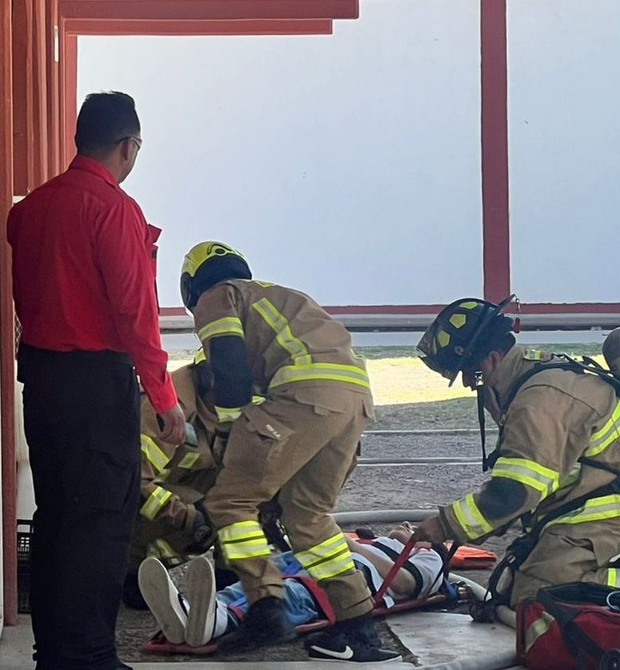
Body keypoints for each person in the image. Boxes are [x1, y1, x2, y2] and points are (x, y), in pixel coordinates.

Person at [8, 91, 184, 670]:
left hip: (43, 379)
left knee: (56, 515)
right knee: (101, 520)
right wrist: (165, 399)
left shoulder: (30, 209)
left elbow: (24, 297)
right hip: (95, 383)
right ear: (128, 146)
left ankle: (55, 652)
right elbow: (137, 313)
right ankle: (88, 657)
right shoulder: (114, 210)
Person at [179, 241, 396, 663]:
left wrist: (229, 428)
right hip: (354, 402)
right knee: (306, 515)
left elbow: (228, 367)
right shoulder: (279, 295)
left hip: (303, 395)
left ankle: (266, 608)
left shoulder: (216, 297)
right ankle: (357, 627)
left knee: (230, 501)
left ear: (190, 286)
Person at [410, 297, 620, 608]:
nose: (469, 384)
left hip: (611, 507)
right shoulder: (527, 375)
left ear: (493, 359)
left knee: (537, 593)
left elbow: (514, 492)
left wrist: (445, 527)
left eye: (472, 373)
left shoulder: (537, 404)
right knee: (510, 582)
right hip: (582, 497)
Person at [139, 523, 446, 649]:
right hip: (326, 558)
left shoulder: (431, 559)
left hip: (351, 575)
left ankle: (218, 621)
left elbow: (406, 583)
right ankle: (197, 610)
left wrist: (352, 548)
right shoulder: (376, 541)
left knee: (297, 593)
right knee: (265, 575)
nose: (406, 526)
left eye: (410, 528)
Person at [122, 354, 223, 610]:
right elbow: (131, 482)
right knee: (208, 516)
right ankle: (130, 571)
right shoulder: (164, 409)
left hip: (162, 498)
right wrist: (187, 516)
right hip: (125, 510)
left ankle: (229, 590)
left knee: (231, 505)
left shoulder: (214, 405)